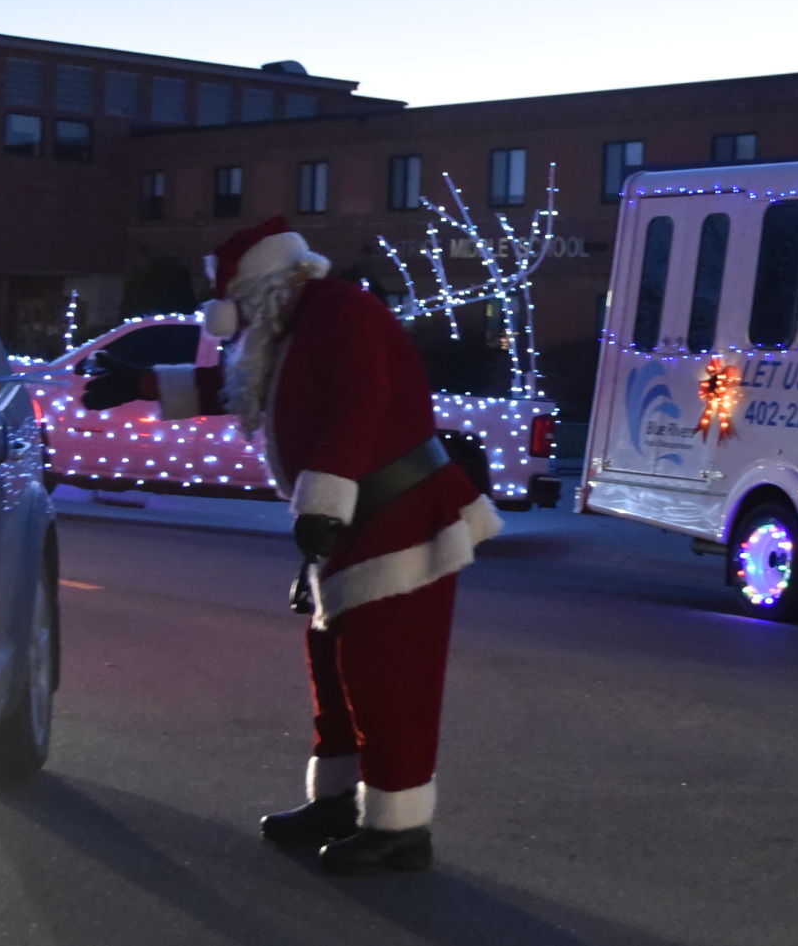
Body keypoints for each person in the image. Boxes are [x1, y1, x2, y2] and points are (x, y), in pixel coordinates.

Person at [81, 217, 500, 874]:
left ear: (265, 289)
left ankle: (398, 825)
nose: (237, 321)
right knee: (333, 660)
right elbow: (249, 386)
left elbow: (357, 404)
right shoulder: (294, 324)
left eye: (240, 305)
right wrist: (139, 381)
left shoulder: (343, 313)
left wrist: (322, 501)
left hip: (397, 514)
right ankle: (338, 800)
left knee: (386, 672)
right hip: (352, 517)